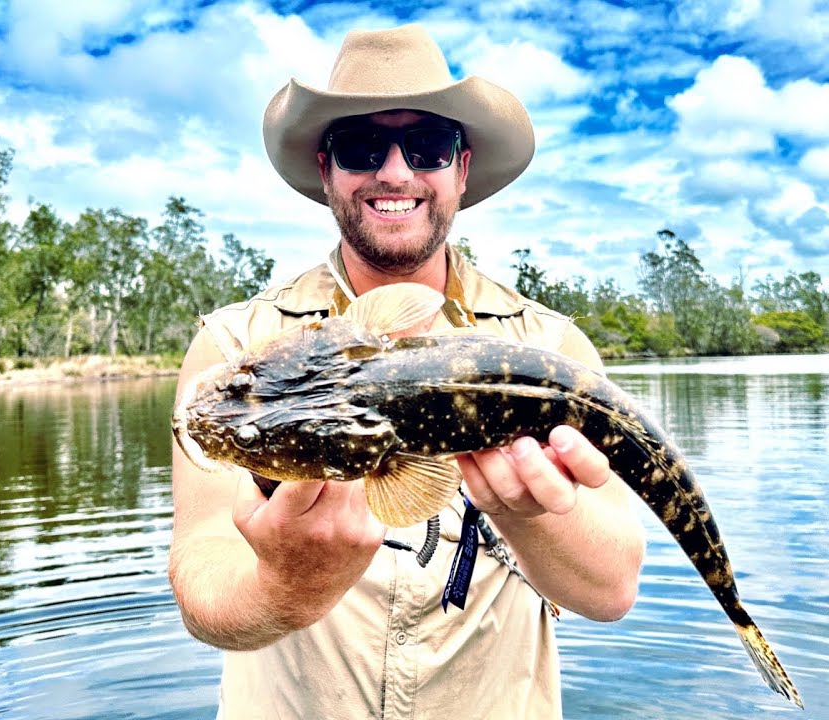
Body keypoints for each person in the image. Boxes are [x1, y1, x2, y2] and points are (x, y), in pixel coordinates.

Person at [167, 24, 646, 719]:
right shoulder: (238, 351)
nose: (395, 173)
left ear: (462, 168)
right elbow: (201, 577)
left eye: (427, 147)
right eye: (362, 148)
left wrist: (530, 515)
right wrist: (283, 590)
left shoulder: (550, 351)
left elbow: (612, 590)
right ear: (327, 168)